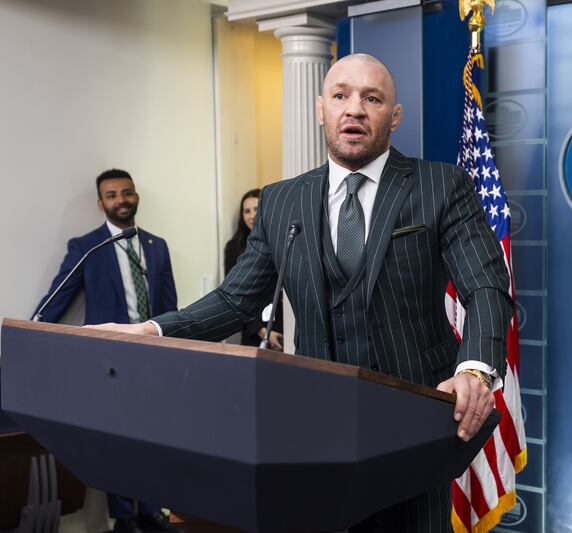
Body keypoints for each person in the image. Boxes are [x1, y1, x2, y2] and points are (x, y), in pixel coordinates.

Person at [93, 54, 513, 533]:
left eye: (371, 98)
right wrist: (152, 329)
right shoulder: (280, 199)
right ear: (320, 110)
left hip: (413, 424)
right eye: (340, 96)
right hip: (315, 426)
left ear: (394, 116)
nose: (354, 109)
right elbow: (236, 299)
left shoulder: (441, 185)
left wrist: (476, 369)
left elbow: (486, 285)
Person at [34, 169, 180, 533]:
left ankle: (150, 510)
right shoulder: (87, 246)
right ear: (101, 203)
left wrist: (179, 348)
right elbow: (58, 298)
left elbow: (171, 306)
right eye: (112, 195)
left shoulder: (156, 245)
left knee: (154, 435)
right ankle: (124, 517)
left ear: (137, 196)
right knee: (114, 440)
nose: (121, 200)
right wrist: (30, 333)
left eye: (126, 193)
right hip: (109, 360)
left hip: (153, 357)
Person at [223, 189, 283, 349]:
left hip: (285, 327)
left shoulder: (281, 240)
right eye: (247, 211)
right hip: (253, 331)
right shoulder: (234, 247)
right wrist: (262, 331)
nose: (252, 215)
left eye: (256, 209)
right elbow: (235, 296)